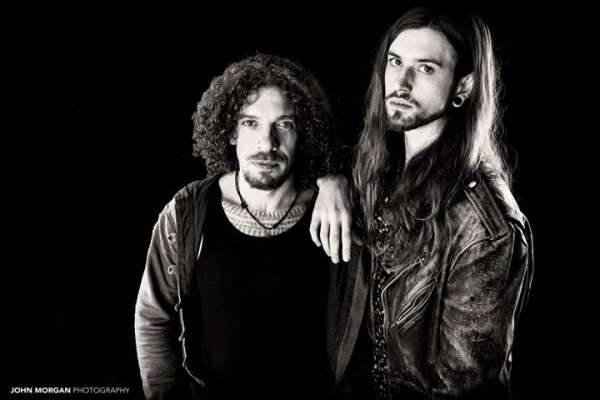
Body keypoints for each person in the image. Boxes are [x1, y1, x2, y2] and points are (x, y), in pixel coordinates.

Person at [311, 5, 534, 399]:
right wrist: (331, 179)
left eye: (426, 69)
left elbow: (463, 387)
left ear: (463, 88)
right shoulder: (381, 167)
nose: (401, 82)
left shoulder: (484, 226)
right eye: (395, 62)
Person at [134, 54, 368, 400]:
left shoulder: (335, 211)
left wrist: (336, 180)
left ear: (303, 132)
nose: (267, 143)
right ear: (230, 131)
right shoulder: (188, 212)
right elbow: (154, 317)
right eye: (250, 123)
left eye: (284, 124)